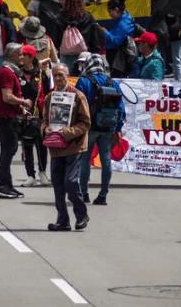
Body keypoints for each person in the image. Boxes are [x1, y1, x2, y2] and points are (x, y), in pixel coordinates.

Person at [42, 63, 91, 231]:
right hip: (56, 147)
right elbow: (44, 120)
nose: (57, 79)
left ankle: (81, 214)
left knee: (70, 182)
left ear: (67, 76)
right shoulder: (50, 98)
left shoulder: (78, 96)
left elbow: (85, 123)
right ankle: (63, 220)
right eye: (55, 75)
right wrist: (45, 129)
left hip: (74, 146)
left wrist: (68, 132)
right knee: (57, 184)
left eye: (61, 75)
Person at [77, 54, 124, 205]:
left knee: (85, 160)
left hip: (89, 128)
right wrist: (117, 128)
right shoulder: (112, 83)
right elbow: (121, 109)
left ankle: (84, 193)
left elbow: (77, 104)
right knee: (106, 161)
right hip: (108, 126)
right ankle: (103, 195)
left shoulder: (84, 81)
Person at [0, 44, 30, 199]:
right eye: (20, 54)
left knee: (7, 149)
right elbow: (7, 96)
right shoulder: (7, 72)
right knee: (10, 149)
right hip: (4, 116)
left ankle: (7, 184)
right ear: (12, 55)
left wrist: (20, 109)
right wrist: (23, 102)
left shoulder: (11, 71)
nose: (22, 57)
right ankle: (1, 184)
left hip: (9, 114)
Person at [18, 45, 50, 187]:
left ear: (31, 57)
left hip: (39, 114)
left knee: (41, 144)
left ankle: (42, 173)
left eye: (23, 55)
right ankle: (30, 175)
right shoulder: (17, 74)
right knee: (26, 144)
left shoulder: (41, 75)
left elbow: (48, 94)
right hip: (23, 114)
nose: (21, 58)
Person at [58, 0, 99, 73]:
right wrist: (95, 52)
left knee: (67, 79)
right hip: (84, 55)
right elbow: (94, 38)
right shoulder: (88, 17)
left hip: (65, 55)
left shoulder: (60, 17)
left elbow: (57, 36)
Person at [99, 0, 137, 78]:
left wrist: (105, 33)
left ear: (116, 9)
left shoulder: (123, 23)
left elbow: (116, 41)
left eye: (110, 12)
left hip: (119, 61)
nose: (109, 15)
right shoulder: (120, 20)